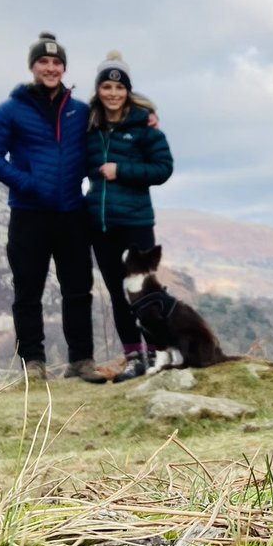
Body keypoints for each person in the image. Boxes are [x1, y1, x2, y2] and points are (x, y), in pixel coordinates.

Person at [0, 31, 96, 380]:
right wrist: (29, 184)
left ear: (64, 68)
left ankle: (82, 361)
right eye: (43, 62)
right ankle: (33, 362)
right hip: (29, 214)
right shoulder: (10, 110)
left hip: (72, 213)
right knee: (28, 291)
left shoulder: (79, 111)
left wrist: (147, 118)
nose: (50, 68)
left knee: (78, 289)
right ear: (33, 66)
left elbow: (112, 125)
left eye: (57, 62)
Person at [84, 51, 174, 383]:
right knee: (118, 293)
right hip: (101, 226)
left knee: (144, 291)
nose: (112, 93)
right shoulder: (90, 126)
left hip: (136, 222)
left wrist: (121, 170)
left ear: (128, 91)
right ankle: (135, 357)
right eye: (106, 86)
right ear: (98, 90)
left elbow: (163, 168)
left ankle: (159, 354)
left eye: (119, 87)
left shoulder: (143, 127)